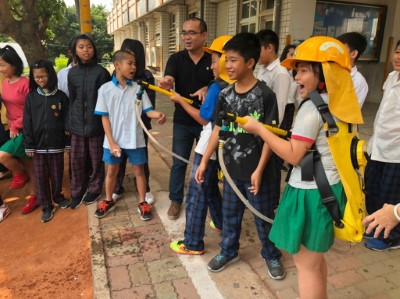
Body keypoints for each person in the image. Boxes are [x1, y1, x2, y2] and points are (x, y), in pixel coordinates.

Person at [239, 36, 361, 298]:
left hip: (310, 195)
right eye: (297, 70)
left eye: (304, 70)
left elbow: (294, 156)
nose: (296, 77)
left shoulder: (311, 109)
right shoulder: (341, 105)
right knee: (315, 263)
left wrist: (259, 128)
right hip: (329, 190)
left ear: (324, 72)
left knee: (305, 266)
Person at [196, 32, 285, 279]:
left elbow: (269, 136)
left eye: (233, 60)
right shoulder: (225, 95)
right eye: (226, 60)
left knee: (263, 218)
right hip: (232, 170)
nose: (228, 65)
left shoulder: (265, 95)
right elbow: (217, 130)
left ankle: (271, 255)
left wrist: (258, 170)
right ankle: (229, 250)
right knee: (231, 216)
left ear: (250, 62)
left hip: (260, 173)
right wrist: (204, 161)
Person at [169, 35, 233, 255]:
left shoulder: (216, 87)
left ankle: (193, 242)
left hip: (209, 143)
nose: (211, 65)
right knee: (209, 185)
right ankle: (222, 221)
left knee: (196, 193)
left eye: (214, 60)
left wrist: (180, 102)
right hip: (227, 146)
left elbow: (204, 119)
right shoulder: (239, 84)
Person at [93, 50, 166, 220]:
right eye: (130, 63)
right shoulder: (105, 89)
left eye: (134, 63)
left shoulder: (138, 88)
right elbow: (104, 118)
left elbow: (148, 111)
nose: (134, 67)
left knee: (139, 170)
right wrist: (111, 142)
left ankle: (142, 202)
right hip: (114, 141)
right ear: (117, 65)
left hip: (135, 139)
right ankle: (108, 200)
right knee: (112, 170)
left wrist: (159, 115)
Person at [158, 17, 213, 220]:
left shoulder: (212, 59)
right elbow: (170, 78)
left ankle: (207, 198)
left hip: (207, 123)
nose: (187, 37)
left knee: (207, 163)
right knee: (179, 162)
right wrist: (167, 81)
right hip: (182, 120)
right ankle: (175, 200)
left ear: (204, 35)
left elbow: (221, 81)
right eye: (184, 33)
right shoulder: (176, 59)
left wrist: (208, 87)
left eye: (192, 33)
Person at [363, 40, 400, 251]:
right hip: (377, 147)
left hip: (396, 153)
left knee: (392, 196)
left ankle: (392, 236)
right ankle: (377, 225)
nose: (398, 57)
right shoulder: (392, 76)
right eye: (396, 52)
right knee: (373, 190)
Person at [23, 60, 70, 223]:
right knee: (41, 177)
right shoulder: (31, 97)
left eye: (43, 76)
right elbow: (27, 122)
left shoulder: (61, 97)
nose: (40, 79)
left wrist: (67, 142)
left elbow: (66, 121)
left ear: (50, 75)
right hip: (37, 147)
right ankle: (46, 205)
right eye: (36, 77)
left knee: (57, 174)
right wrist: (29, 144)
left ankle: (58, 196)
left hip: (56, 145)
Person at [67, 34, 111, 209]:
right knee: (76, 160)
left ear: (94, 49)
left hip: (96, 124)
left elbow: (107, 100)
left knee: (96, 160)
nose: (86, 50)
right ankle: (77, 191)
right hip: (77, 125)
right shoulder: (72, 73)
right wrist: (69, 123)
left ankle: (94, 188)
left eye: (89, 46)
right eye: (81, 47)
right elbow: (72, 99)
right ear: (75, 51)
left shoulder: (101, 72)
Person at [113, 39, 156, 205]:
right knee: (119, 158)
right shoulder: (115, 76)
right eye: (125, 50)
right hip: (119, 125)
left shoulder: (145, 76)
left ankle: (145, 190)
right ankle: (117, 188)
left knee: (140, 159)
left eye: (132, 51)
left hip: (138, 126)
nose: (129, 54)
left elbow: (149, 104)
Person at [0, 45, 37, 214]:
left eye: (2, 65)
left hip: (26, 128)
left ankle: (19, 175)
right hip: (13, 129)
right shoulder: (5, 83)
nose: (0, 69)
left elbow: (33, 109)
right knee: (28, 164)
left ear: (13, 65)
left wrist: (16, 125)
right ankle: (35, 198)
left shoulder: (25, 83)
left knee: (3, 156)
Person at [256, 29, 292, 201]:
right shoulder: (262, 69)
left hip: (274, 124)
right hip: (261, 122)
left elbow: (280, 106)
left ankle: (273, 202)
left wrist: (270, 131)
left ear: (269, 47)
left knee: (274, 162)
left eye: (258, 49)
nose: (256, 54)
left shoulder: (281, 73)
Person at [337, 32, 368, 107]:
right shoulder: (326, 70)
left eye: (340, 49)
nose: (335, 52)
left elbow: (349, 111)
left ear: (353, 54)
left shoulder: (359, 82)